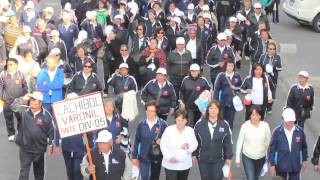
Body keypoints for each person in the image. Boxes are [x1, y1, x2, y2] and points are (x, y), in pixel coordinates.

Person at [12, 91, 58, 180]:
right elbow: (13, 106)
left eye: (35, 100)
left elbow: (51, 131)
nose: (32, 102)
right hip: (25, 150)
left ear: (40, 103)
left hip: (39, 150)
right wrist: (23, 99)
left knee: (39, 174)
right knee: (23, 174)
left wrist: (51, 144)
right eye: (31, 100)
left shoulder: (46, 115)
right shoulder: (23, 111)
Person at [193, 100, 233, 180]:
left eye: (215, 108)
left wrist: (228, 158)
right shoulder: (199, 124)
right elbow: (195, 140)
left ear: (219, 110)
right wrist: (194, 154)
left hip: (219, 159)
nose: (213, 111)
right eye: (211, 108)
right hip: (203, 159)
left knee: (217, 177)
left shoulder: (225, 124)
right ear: (208, 110)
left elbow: (228, 142)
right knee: (205, 178)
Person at [268, 108, 308, 180]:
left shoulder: (300, 131)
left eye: (292, 121)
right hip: (281, 165)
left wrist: (304, 160)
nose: (290, 123)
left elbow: (304, 147)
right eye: (288, 121)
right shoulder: (277, 131)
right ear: (283, 119)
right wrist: (272, 164)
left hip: (295, 165)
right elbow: (272, 149)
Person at [132, 101, 168, 180]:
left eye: (152, 111)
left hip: (156, 156)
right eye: (148, 110)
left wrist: (161, 141)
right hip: (143, 156)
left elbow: (168, 140)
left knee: (155, 177)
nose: (149, 113)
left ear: (156, 112)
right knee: (144, 177)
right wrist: (134, 156)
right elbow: (136, 141)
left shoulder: (163, 124)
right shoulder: (141, 124)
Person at [160, 108, 198, 180]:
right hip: (170, 163)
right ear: (175, 120)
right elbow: (163, 144)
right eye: (178, 120)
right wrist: (169, 157)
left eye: (182, 120)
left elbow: (195, 144)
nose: (180, 122)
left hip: (184, 164)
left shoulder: (190, 131)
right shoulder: (169, 130)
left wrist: (188, 147)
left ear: (186, 120)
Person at [235, 106, 271, 180]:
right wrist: (237, 159)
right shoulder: (245, 126)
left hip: (261, 157)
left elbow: (269, 143)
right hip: (247, 157)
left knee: (255, 177)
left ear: (260, 116)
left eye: (257, 115)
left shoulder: (265, 126)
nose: (254, 117)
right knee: (251, 178)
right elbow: (239, 143)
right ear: (250, 115)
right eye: (253, 115)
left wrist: (269, 158)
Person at [0, 58, 28, 141]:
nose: (8, 66)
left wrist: (24, 97)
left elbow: (25, 86)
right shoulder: (3, 74)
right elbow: (0, 87)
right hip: (7, 102)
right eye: (8, 64)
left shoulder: (21, 74)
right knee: (8, 119)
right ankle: (11, 133)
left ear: (16, 65)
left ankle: (20, 131)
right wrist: (2, 98)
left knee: (20, 117)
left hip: (18, 102)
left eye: (11, 64)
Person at [213, 60, 242, 130]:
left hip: (233, 103)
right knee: (222, 119)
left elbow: (241, 87)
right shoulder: (221, 76)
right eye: (229, 65)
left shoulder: (237, 75)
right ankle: (222, 134)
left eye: (232, 65)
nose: (230, 67)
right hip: (223, 102)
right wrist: (215, 101)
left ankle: (229, 133)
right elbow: (216, 89)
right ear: (225, 66)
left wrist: (236, 88)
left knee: (231, 120)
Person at [258, 41, 282, 114]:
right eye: (270, 49)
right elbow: (259, 66)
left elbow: (280, 68)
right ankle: (263, 107)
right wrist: (264, 70)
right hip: (264, 78)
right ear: (267, 49)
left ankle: (269, 107)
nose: (272, 50)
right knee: (264, 92)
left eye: (273, 49)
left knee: (272, 94)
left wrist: (273, 68)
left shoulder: (278, 57)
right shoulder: (262, 56)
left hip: (273, 79)